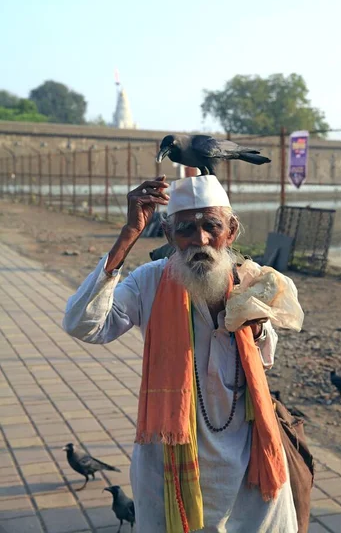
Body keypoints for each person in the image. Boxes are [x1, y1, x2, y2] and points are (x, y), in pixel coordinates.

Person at [63, 174, 298, 533]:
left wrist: (258, 328)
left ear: (231, 231)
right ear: (170, 236)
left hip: (248, 460)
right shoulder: (151, 281)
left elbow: (265, 357)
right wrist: (128, 235)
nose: (200, 240)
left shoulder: (252, 280)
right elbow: (83, 324)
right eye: (186, 229)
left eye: (211, 226)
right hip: (169, 462)